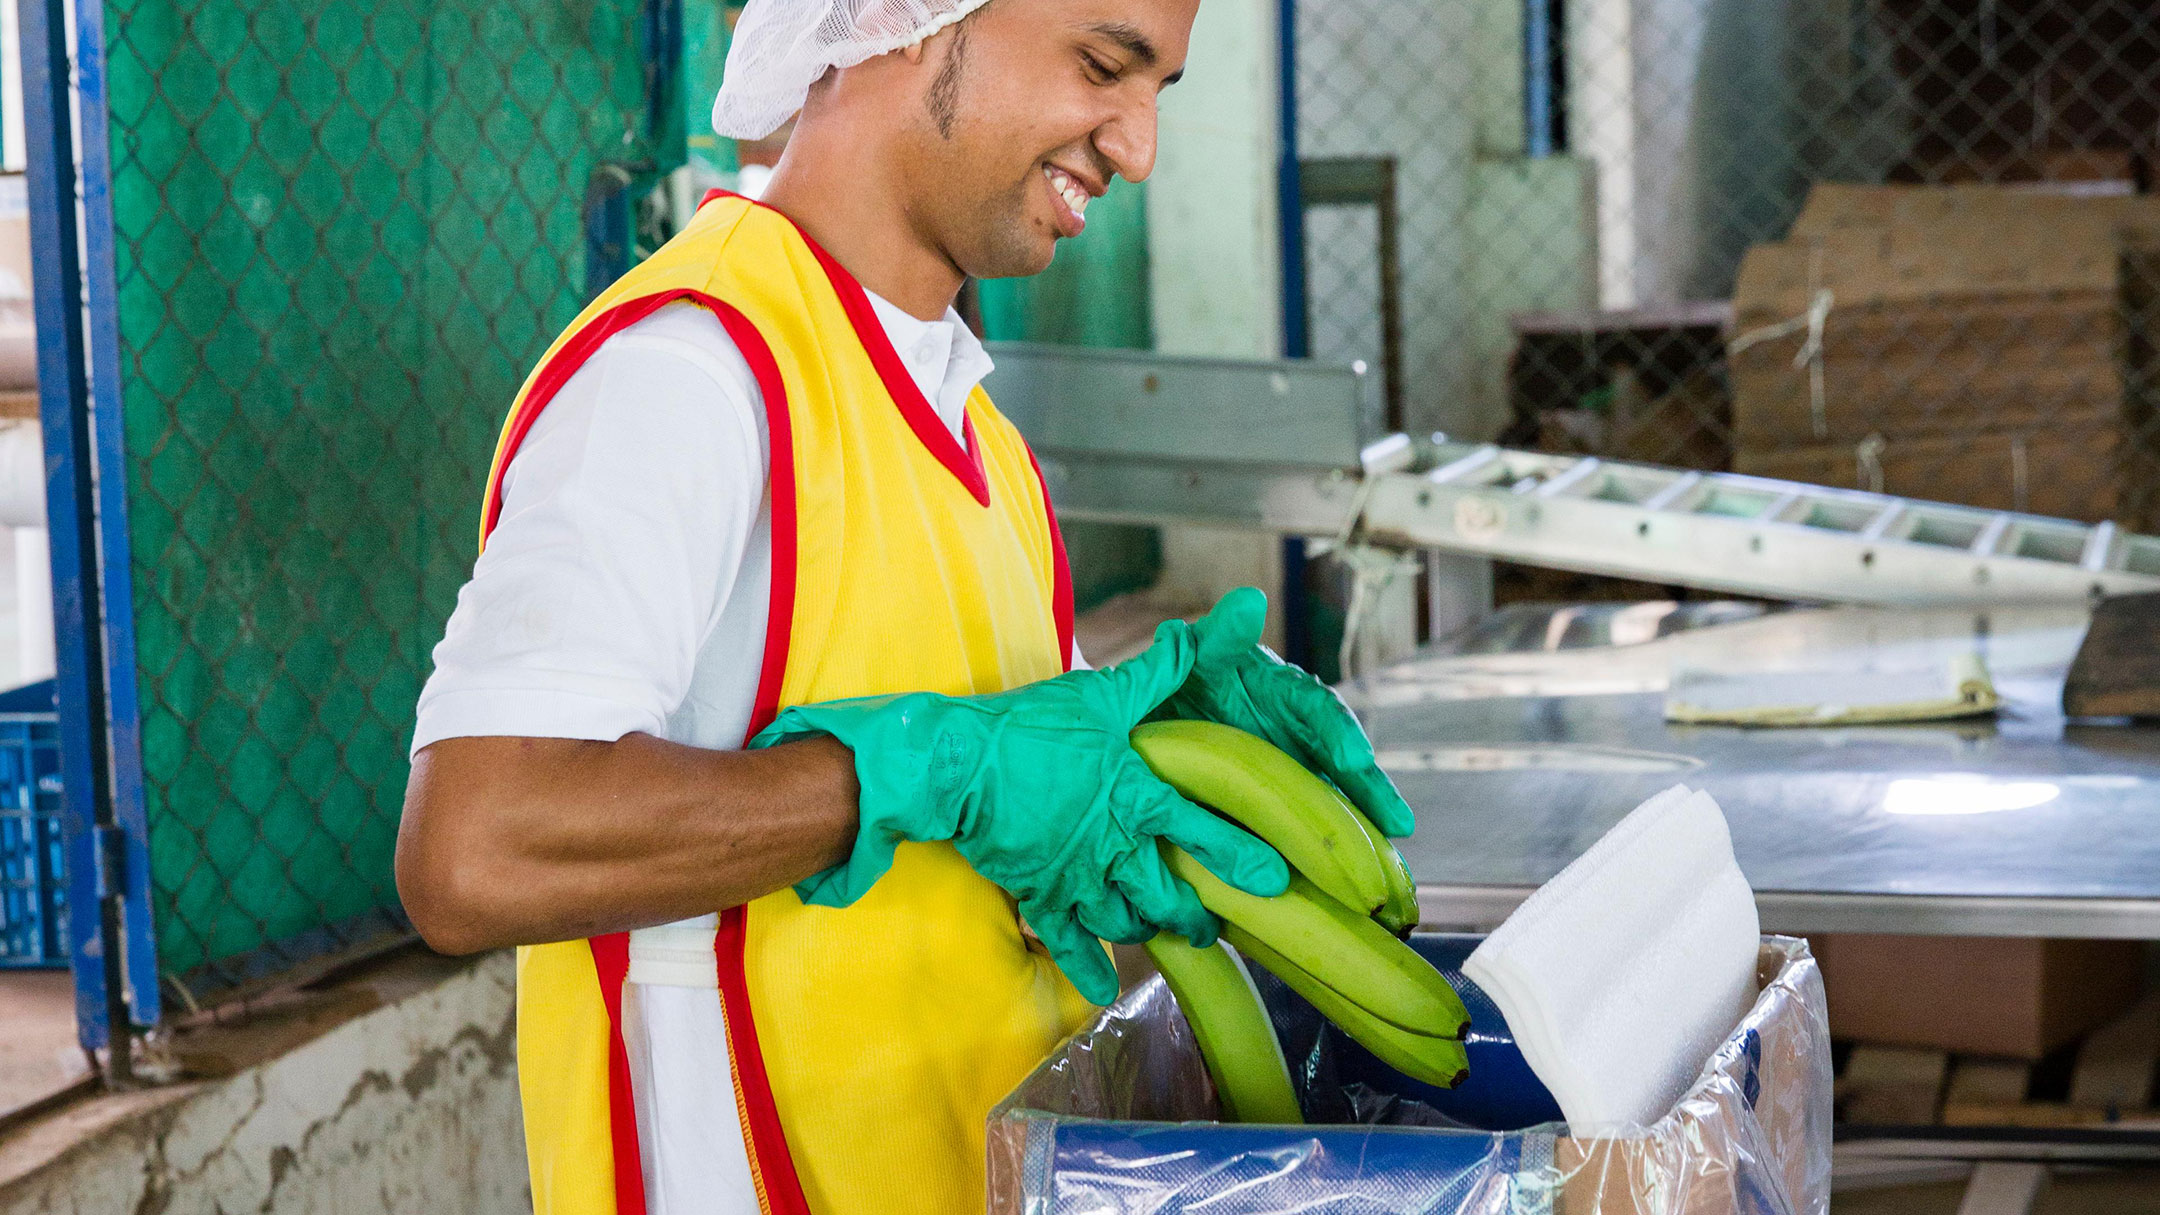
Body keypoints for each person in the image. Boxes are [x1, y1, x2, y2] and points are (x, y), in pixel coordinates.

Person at [393, 1, 1414, 1212]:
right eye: (1102, 65)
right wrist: (921, 774)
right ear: (910, 22)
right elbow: (475, 845)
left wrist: (1142, 755)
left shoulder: (979, 437)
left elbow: (1014, 815)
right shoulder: (694, 371)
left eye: (1159, 92)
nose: (1137, 148)